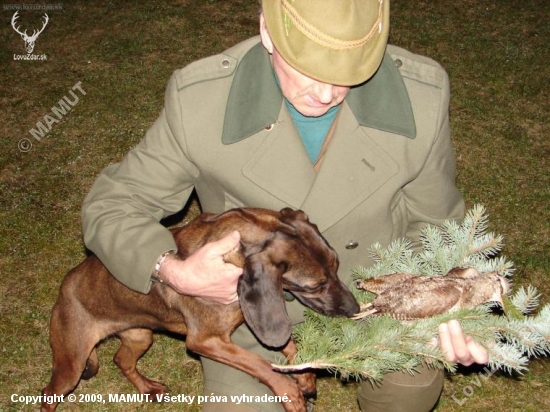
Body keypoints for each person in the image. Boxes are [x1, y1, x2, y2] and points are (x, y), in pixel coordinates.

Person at [82, 0, 488, 410]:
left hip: (376, 298)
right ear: (266, 32)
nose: (327, 94)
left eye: (347, 74)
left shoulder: (421, 98)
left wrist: (441, 303)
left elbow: (436, 224)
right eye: (308, 70)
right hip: (249, 313)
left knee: (408, 395)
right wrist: (172, 270)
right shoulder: (201, 104)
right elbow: (113, 204)